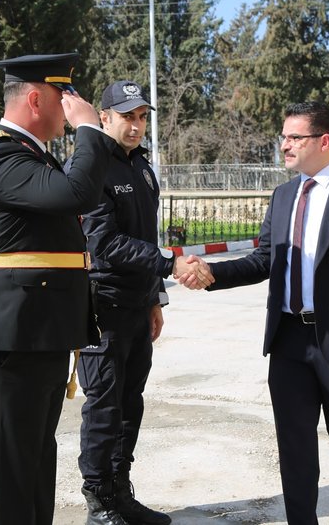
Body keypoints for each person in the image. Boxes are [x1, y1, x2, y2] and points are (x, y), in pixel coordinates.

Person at [180, 101, 329, 524]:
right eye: (284, 137)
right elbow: (264, 260)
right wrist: (211, 275)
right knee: (295, 450)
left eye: (295, 137)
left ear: (324, 141)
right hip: (288, 341)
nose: (284, 145)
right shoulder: (283, 196)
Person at [0, 54, 117, 525]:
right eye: (65, 95)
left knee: (36, 464)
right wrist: (90, 130)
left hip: (39, 334)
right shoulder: (2, 155)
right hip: (14, 339)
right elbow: (77, 194)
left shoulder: (31, 155)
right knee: (12, 471)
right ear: (36, 99)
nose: (73, 105)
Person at [75, 80, 210, 525]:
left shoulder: (143, 168)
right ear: (104, 116)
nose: (135, 126)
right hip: (103, 308)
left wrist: (156, 298)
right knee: (104, 406)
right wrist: (171, 264)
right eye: (127, 116)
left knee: (130, 405)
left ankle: (120, 492)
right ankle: (98, 503)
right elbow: (106, 244)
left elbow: (144, 236)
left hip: (136, 305)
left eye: (141, 117)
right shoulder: (94, 167)